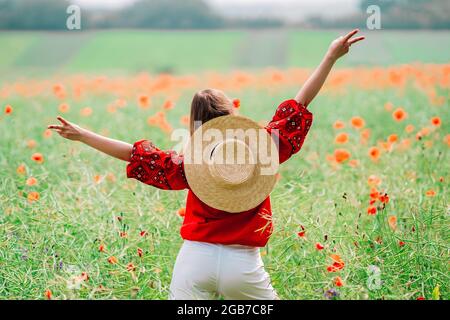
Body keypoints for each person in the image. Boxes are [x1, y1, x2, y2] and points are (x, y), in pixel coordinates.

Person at [48, 29, 364, 300]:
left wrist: (82, 134)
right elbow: (299, 104)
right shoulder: (262, 149)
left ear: (197, 126)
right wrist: (330, 57)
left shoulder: (190, 163)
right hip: (243, 265)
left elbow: (134, 154)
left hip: (194, 260)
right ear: (232, 116)